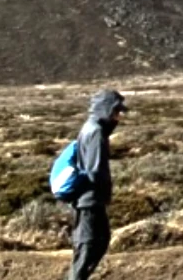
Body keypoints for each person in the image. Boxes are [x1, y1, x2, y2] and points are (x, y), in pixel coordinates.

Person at [67, 89, 128, 280]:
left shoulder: (92, 128)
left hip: (90, 199)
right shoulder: (95, 132)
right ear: (105, 110)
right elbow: (94, 170)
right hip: (89, 201)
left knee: (97, 243)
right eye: (116, 112)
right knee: (88, 247)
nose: (118, 117)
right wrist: (102, 191)